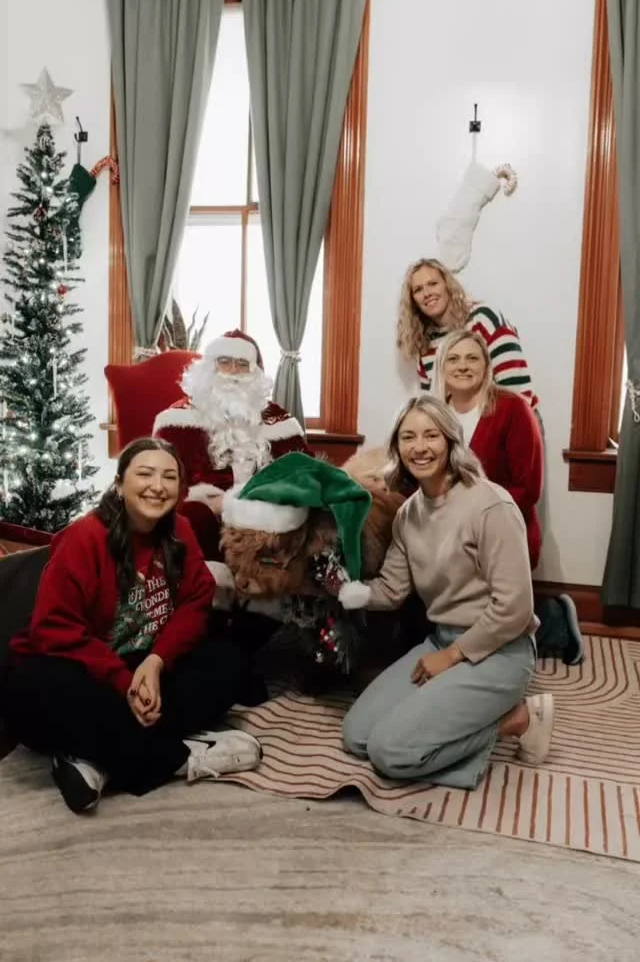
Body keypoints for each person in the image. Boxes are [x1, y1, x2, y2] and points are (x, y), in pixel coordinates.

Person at [3, 438, 265, 814]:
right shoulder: (84, 538)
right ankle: (176, 757)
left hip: (143, 664)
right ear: (119, 483)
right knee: (29, 691)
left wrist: (156, 662)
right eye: (145, 474)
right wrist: (122, 681)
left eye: (169, 477)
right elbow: (53, 629)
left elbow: (196, 601)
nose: (157, 486)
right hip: (82, 670)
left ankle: (92, 757)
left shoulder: (180, 529)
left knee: (228, 662)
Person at [339, 395, 554, 789]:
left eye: (431, 435)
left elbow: (516, 607)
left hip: (500, 651)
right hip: (441, 641)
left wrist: (452, 657)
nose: (419, 447)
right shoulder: (408, 514)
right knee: (357, 736)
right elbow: (391, 589)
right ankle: (438, 720)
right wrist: (343, 590)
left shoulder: (490, 505)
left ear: (452, 440)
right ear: (397, 447)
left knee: (391, 753)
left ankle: (518, 720)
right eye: (408, 437)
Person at [432, 330, 584, 664]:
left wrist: (471, 520)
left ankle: (554, 620)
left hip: (505, 532)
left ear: (487, 366)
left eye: (472, 358)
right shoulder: (432, 414)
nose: (462, 366)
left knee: (491, 639)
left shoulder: (513, 409)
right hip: (446, 534)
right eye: (453, 359)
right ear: (441, 368)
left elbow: (528, 488)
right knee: (448, 623)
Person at [153, 328, 312, 560]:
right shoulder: (176, 421)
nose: (233, 371)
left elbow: (305, 473)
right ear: (209, 368)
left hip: (265, 513)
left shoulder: (279, 421)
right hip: (207, 515)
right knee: (190, 517)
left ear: (255, 373)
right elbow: (160, 480)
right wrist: (214, 504)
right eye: (224, 362)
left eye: (242, 364)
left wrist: (263, 497)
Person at [396, 258, 539, 412]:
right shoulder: (424, 344)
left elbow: (516, 388)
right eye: (418, 290)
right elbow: (434, 406)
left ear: (447, 285)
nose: (427, 293)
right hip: (462, 423)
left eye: (433, 283)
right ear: (413, 300)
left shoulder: (483, 319)